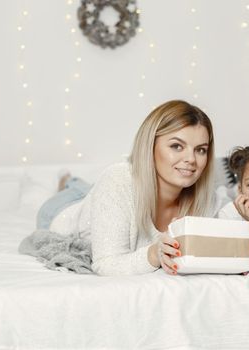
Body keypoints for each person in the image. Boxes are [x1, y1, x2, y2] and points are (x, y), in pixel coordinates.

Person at [36, 100, 217, 276]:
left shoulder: (207, 198)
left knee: (91, 188)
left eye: (200, 150)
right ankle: (67, 180)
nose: (191, 159)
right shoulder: (116, 180)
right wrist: (153, 254)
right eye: (177, 146)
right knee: (78, 188)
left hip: (109, 194)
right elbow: (106, 264)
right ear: (150, 146)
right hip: (62, 209)